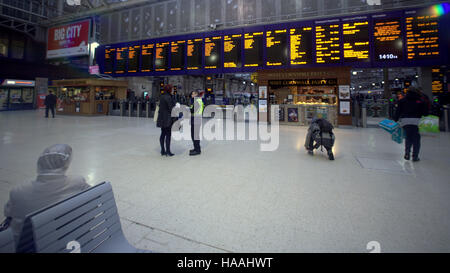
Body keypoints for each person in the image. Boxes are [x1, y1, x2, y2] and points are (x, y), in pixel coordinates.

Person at [1, 144, 90, 245]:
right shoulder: (77, 182)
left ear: (40, 164)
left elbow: (8, 213)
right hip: (68, 243)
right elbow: (92, 201)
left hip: (27, 246)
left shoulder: (17, 192)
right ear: (66, 164)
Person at [394, 87, 429, 162]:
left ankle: (407, 153)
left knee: (408, 137)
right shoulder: (420, 100)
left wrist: (395, 119)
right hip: (417, 121)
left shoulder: (402, 100)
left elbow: (398, 111)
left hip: (405, 121)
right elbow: (425, 113)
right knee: (416, 139)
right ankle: (415, 156)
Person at [157, 85, 175, 156]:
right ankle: (168, 151)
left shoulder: (162, 96)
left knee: (162, 134)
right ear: (169, 90)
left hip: (162, 118)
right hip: (168, 119)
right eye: (172, 89)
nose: (173, 91)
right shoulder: (169, 97)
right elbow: (171, 109)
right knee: (168, 135)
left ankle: (162, 150)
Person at [189, 90, 204, 156]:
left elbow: (192, 110)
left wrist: (188, 109)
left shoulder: (197, 101)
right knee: (194, 135)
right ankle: (196, 148)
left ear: (196, 94)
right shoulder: (197, 100)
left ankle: (197, 150)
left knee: (195, 135)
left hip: (196, 120)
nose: (191, 95)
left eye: (192, 94)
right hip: (195, 119)